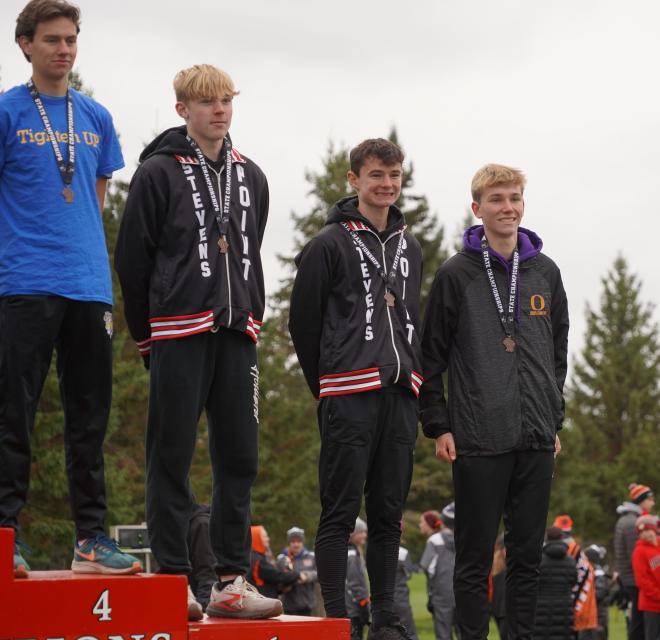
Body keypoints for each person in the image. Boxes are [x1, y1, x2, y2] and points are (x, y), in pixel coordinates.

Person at [115, 63, 274, 621]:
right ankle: (174, 576)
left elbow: (250, 250)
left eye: (226, 100)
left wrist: (252, 311)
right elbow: (133, 260)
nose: (219, 110)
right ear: (183, 109)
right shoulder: (158, 173)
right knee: (172, 456)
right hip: (179, 332)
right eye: (206, 102)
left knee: (240, 457)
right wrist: (146, 336)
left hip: (236, 333)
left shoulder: (252, 175)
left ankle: (231, 579)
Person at [1, 0, 141, 579]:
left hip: (87, 286)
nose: (64, 49)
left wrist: (80, 252)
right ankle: (5, 537)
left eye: (71, 40)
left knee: (90, 418)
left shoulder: (96, 116)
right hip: (23, 282)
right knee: (15, 413)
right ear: (26, 44)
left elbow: (98, 193)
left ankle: (90, 540)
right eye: (53, 39)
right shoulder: (7, 112)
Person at [420, 163, 569, 640]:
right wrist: (439, 424)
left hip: (535, 436)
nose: (508, 208)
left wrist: (553, 417)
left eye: (515, 198)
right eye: (498, 199)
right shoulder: (456, 274)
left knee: (527, 557)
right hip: (478, 436)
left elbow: (557, 351)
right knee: (475, 557)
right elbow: (431, 357)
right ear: (477, 207)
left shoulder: (546, 272)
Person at [289, 137, 421, 640]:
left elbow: (413, 320)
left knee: (389, 514)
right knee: (340, 512)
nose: (386, 185)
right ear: (354, 180)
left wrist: (414, 377)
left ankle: (387, 617)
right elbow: (303, 323)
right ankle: (337, 617)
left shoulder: (412, 247)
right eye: (375, 176)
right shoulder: (328, 244)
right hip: (348, 392)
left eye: (394, 177)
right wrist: (326, 386)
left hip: (399, 393)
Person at [613, 483, 655, 640]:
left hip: (630, 579)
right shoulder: (632, 522)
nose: (653, 503)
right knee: (638, 624)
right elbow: (635, 556)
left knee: (636, 622)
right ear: (641, 500)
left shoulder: (628, 519)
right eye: (650, 499)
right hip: (634, 581)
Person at [420, 507, 458, 640]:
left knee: (443, 633)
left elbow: (425, 566)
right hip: (462, 590)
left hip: (441, 593)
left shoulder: (434, 540)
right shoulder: (465, 538)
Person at [532, 527, 577, 640]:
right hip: (565, 606)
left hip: (541, 607)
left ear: (546, 538)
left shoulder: (538, 560)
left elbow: (534, 582)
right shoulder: (571, 561)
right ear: (562, 538)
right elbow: (573, 581)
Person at [277, 526, 319, 616]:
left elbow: (319, 574)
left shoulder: (311, 556)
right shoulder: (282, 559)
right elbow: (277, 578)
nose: (296, 544)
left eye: (299, 541)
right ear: (289, 543)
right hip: (289, 605)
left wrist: (307, 576)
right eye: (293, 542)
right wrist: (286, 584)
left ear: (302, 542)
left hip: (308, 604)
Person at [249, 525, 300, 599]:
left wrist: (279, 589)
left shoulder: (253, 557)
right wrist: (297, 574)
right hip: (263, 604)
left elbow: (267, 582)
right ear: (257, 538)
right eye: (265, 536)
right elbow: (278, 576)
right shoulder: (258, 560)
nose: (268, 539)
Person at [188, 499, 217, 611]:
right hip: (195, 600)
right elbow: (207, 568)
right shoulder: (201, 523)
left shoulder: (199, 522)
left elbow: (207, 569)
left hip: (195, 600)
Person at [348, 519, 372, 640]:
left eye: (365, 532)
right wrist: (363, 604)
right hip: (353, 608)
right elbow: (355, 583)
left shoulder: (354, 551)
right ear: (352, 534)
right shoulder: (352, 555)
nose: (365, 535)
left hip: (351, 606)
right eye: (361, 532)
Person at [395, 527, 420, 639]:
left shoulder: (376, 551)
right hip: (400, 596)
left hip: (380, 597)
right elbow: (408, 574)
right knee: (407, 628)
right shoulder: (403, 553)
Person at [583, 544, 610, 640]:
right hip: (587, 616)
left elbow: (599, 594)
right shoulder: (586, 572)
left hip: (598, 616)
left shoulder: (599, 575)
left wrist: (583, 597)